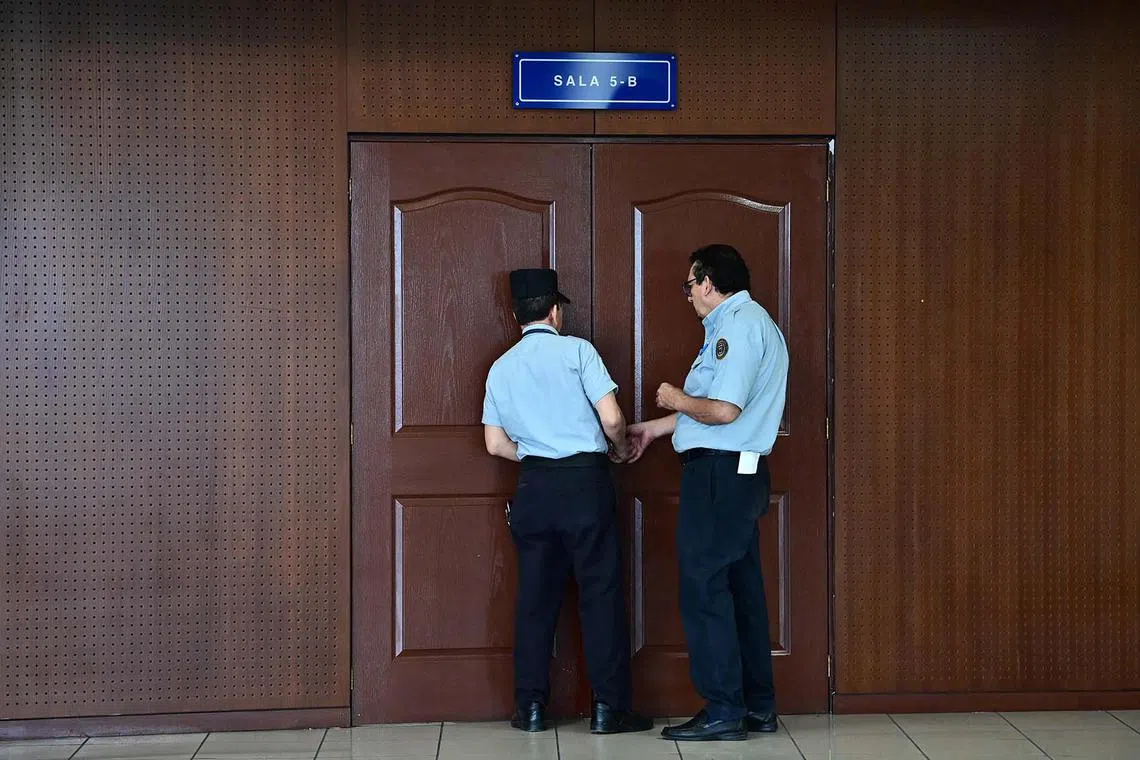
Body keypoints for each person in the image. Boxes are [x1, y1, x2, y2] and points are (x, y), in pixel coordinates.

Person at [626, 244, 788, 742]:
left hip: (720, 477)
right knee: (739, 592)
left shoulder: (738, 326)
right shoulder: (741, 324)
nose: (689, 295)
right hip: (735, 474)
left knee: (705, 589)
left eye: (690, 285)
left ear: (710, 283)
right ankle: (756, 707)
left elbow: (723, 411)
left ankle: (722, 708)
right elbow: (711, 411)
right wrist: (654, 429)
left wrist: (675, 396)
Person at [483, 267, 653, 735]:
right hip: (585, 484)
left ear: (517, 315)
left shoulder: (501, 367)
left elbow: (496, 445)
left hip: (535, 488)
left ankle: (531, 708)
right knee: (600, 596)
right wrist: (618, 450)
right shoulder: (578, 352)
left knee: (536, 601)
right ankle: (608, 709)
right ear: (555, 311)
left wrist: (538, 454)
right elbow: (613, 418)